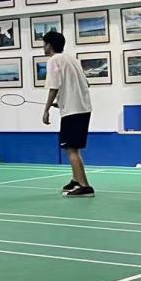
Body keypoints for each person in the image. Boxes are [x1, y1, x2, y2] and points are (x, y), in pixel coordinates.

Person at [42, 30, 94, 197]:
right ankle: (76, 180)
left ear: (49, 45)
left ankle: (85, 186)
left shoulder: (54, 60)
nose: (43, 47)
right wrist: (64, 100)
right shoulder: (72, 60)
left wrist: (46, 109)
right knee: (74, 148)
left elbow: (54, 87)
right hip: (83, 108)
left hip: (72, 112)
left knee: (71, 149)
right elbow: (86, 84)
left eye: (44, 44)